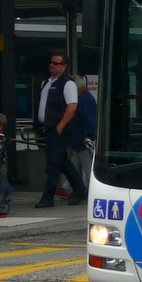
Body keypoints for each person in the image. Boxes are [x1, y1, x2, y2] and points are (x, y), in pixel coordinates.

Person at [35, 52, 88, 208]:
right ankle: (80, 190)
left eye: (56, 63)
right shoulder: (47, 82)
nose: (52, 65)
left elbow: (72, 106)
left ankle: (48, 196)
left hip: (58, 129)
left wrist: (60, 127)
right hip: (49, 127)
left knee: (52, 164)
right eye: (51, 62)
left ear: (64, 66)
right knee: (62, 162)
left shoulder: (67, 83)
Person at [67, 75, 97, 186]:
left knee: (85, 166)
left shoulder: (83, 99)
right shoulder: (85, 98)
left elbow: (89, 119)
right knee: (78, 166)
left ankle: (77, 188)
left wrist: (88, 135)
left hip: (81, 139)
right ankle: (72, 188)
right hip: (80, 140)